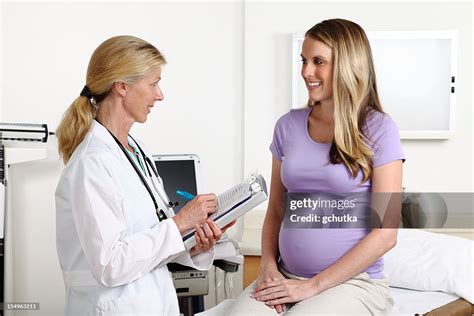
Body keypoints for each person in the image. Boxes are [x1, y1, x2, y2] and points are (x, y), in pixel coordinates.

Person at [230, 18, 405, 315]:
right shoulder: (288, 126)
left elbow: (386, 234)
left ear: (348, 66)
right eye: (304, 60)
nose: (306, 72)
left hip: (352, 283)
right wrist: (268, 269)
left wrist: (312, 287)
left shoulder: (379, 129)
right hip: (285, 276)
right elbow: (276, 209)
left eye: (318, 61)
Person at [55, 35, 233, 315]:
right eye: (153, 84)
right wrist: (180, 222)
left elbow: (150, 243)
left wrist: (195, 243)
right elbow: (110, 264)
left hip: (153, 302)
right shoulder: (92, 163)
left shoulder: (135, 151)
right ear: (122, 86)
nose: (159, 95)